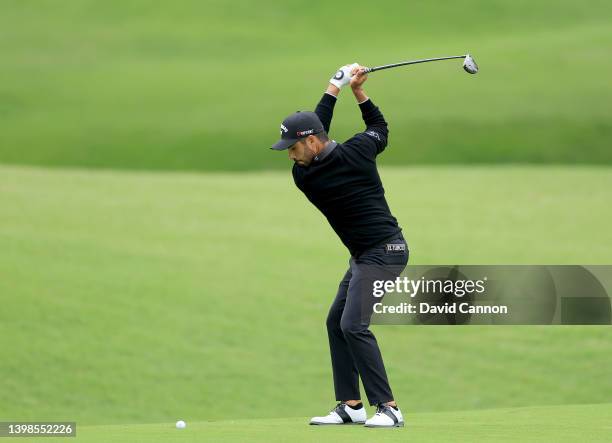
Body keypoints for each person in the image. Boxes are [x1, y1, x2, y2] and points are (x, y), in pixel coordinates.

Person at [270, 64, 408, 428]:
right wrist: (356, 92)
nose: (290, 155)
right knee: (337, 322)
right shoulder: (359, 151)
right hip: (365, 255)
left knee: (353, 325)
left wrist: (337, 86)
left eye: (293, 146)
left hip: (386, 251)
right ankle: (351, 405)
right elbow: (379, 129)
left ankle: (389, 409)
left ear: (312, 142)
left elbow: (319, 124)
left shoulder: (306, 173)